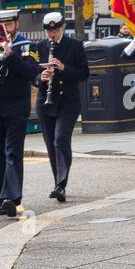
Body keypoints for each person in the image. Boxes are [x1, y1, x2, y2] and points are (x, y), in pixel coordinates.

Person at [0, 9, 39, 213]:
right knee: (0, 154)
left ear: (16, 24)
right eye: (1, 27)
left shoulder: (26, 47)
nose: (5, 30)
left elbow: (31, 73)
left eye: (8, 26)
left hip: (16, 107)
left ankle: (12, 197)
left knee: (12, 152)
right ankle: (1, 198)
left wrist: (10, 56)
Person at [35, 11, 89, 202]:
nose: (52, 35)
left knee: (60, 140)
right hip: (45, 103)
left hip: (68, 102)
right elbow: (34, 74)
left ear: (62, 28)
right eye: (49, 31)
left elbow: (84, 73)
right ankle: (57, 181)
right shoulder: (40, 46)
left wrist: (64, 68)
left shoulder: (74, 45)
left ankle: (61, 184)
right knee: (51, 145)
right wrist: (41, 78)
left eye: (55, 30)